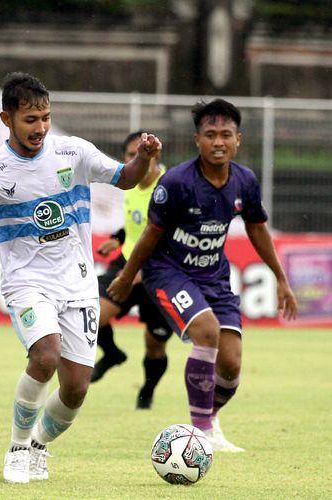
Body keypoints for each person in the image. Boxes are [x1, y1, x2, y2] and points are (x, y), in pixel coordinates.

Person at [0, 72, 162, 483]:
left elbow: (126, 178)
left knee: (76, 389)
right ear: (6, 118)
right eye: (30, 119)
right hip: (27, 282)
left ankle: (37, 445)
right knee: (45, 356)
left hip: (80, 283)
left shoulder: (73, 152)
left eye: (45, 117)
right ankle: (16, 448)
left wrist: (144, 157)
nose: (40, 127)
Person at [108, 98, 297, 452]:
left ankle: (209, 420)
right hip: (168, 272)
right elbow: (150, 235)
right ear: (198, 140)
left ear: (238, 139)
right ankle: (201, 434)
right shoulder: (177, 182)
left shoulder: (245, 181)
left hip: (214, 277)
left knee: (231, 364)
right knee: (206, 333)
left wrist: (281, 279)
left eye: (226, 134)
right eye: (210, 134)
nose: (218, 141)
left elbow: (257, 229)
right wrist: (126, 274)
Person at [91, 131, 174, 410]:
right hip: (127, 264)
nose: (133, 159)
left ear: (156, 154)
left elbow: (172, 234)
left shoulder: (170, 188)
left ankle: (147, 391)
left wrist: (143, 271)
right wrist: (119, 238)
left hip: (161, 272)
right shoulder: (131, 185)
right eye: (128, 155)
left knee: (155, 344)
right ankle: (112, 354)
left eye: (139, 153)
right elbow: (141, 227)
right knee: (91, 313)